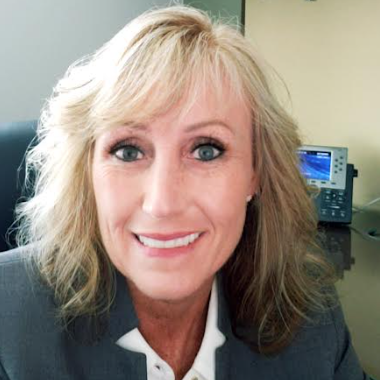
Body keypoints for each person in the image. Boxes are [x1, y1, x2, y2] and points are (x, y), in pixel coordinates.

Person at [0, 5, 369, 380]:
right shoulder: (7, 324)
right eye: (128, 151)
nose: (163, 204)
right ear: (87, 172)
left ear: (256, 172)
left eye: (207, 150)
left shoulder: (313, 321)